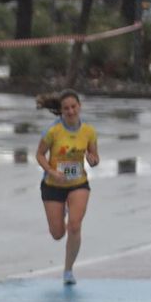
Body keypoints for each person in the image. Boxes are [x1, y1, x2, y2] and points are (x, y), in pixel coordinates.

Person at [35, 89, 100, 285]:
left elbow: (95, 157)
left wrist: (93, 160)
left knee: (74, 226)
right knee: (57, 234)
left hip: (78, 184)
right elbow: (39, 155)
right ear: (61, 110)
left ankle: (68, 270)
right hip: (53, 185)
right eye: (66, 108)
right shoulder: (53, 131)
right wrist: (51, 171)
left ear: (79, 106)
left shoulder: (88, 131)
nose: (71, 111)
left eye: (73, 107)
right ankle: (61, 210)